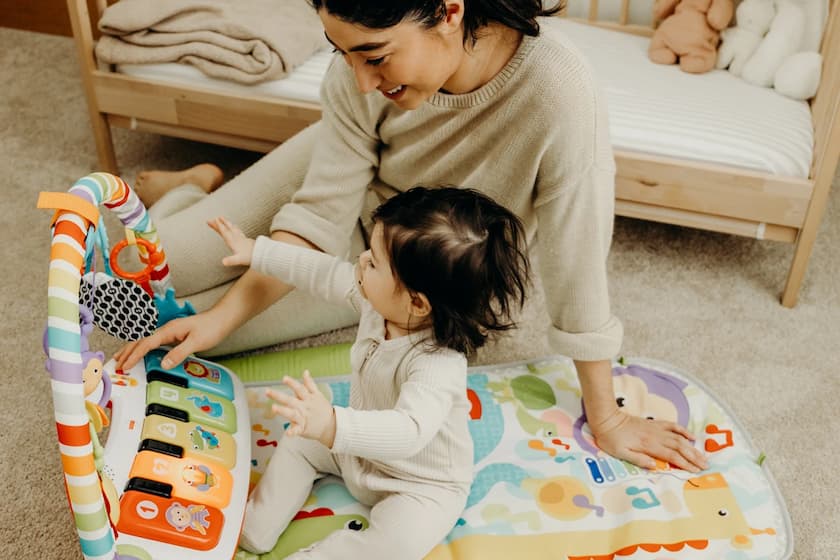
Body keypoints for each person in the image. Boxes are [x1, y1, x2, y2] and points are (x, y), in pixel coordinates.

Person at [115, 0, 708, 475]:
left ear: (450, 12)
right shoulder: (359, 81)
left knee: (153, 330)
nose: (362, 81)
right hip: (337, 185)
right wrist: (225, 314)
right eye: (343, 54)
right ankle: (192, 192)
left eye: (375, 56)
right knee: (141, 273)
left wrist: (605, 416)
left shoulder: (560, 94)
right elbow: (317, 217)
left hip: (395, 258)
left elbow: (577, 265)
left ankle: (198, 190)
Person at [210, 186, 531, 556]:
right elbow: (322, 272)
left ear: (417, 302)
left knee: (397, 544)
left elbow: (408, 431)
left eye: (375, 262)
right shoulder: (376, 301)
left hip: (419, 484)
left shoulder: (438, 364)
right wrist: (259, 253)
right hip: (355, 451)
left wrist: (334, 425)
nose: (361, 260)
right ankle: (253, 526)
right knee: (300, 440)